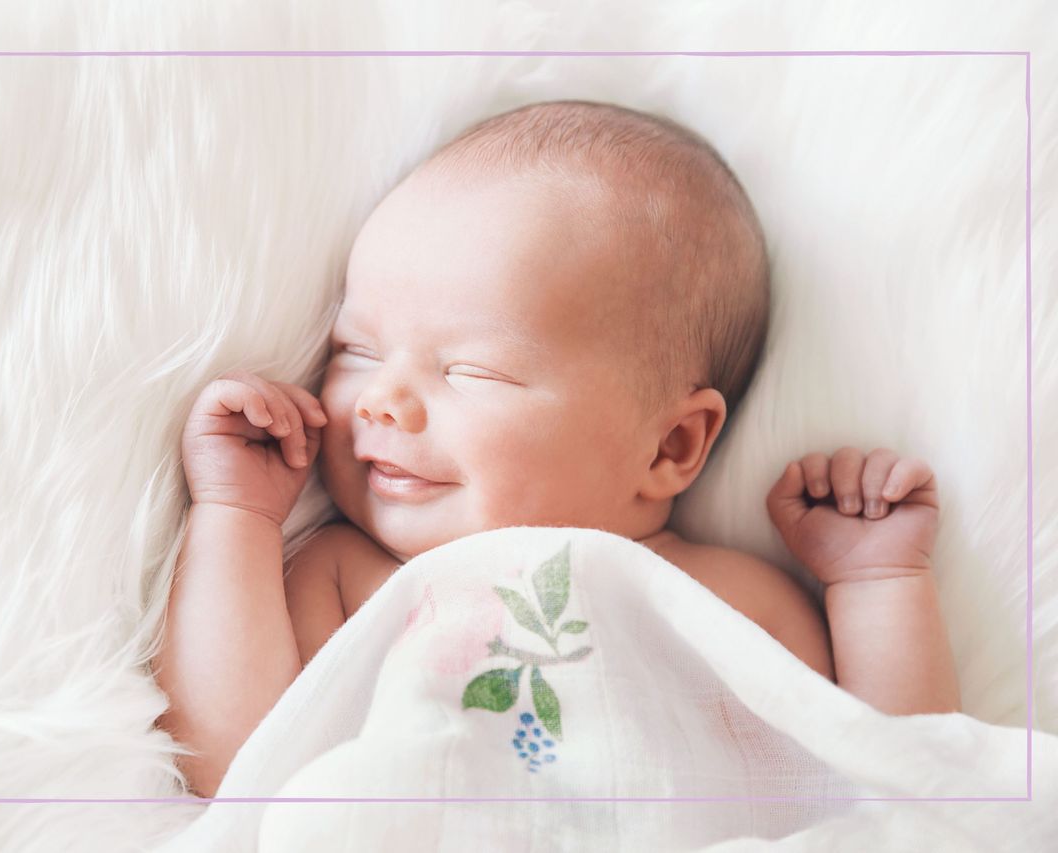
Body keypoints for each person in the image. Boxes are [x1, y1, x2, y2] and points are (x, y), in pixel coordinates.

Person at [153, 100, 960, 798]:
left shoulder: (729, 597)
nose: (380, 399)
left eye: (469, 369)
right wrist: (235, 515)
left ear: (670, 445)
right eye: (356, 349)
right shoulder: (352, 577)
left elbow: (902, 782)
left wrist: (878, 583)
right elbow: (235, 760)